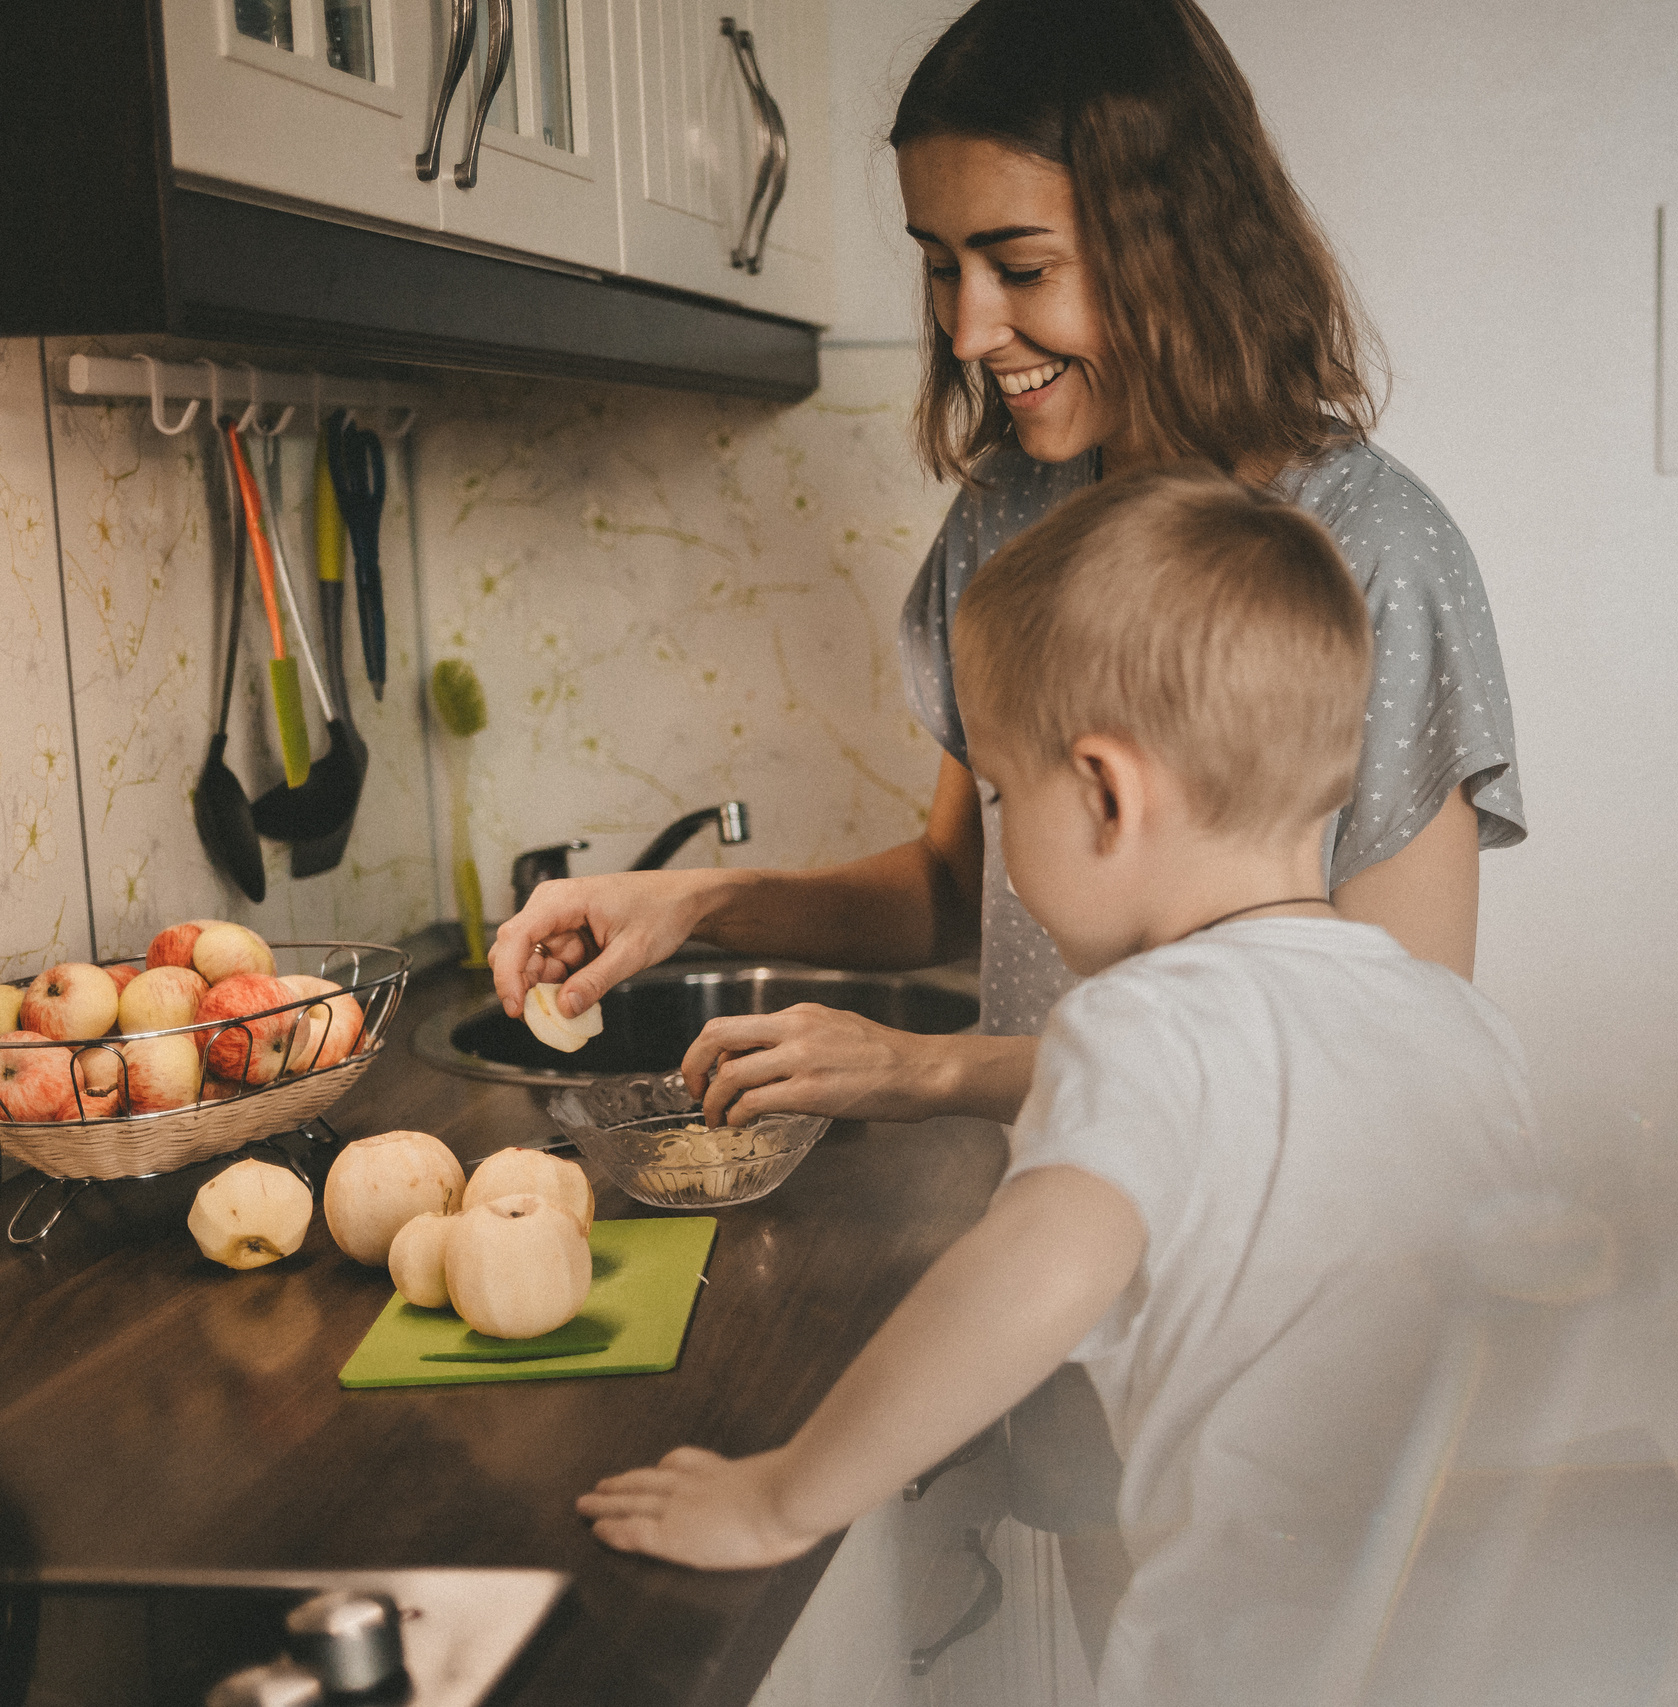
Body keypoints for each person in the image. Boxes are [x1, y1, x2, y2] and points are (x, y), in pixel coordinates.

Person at [492, 0, 1523, 1667]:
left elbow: (1320, 1080)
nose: (972, 327)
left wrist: (918, 1081)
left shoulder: (1372, 550)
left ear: (1168, 232)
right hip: (1210, 1399)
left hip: (1191, 1291)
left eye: (1021, 263)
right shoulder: (1008, 524)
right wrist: (691, 900)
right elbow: (958, 898)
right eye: (936, 264)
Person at [576, 468, 1545, 1707]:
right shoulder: (1459, 1027)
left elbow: (1026, 1280)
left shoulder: (1137, 1026)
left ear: (1103, 793)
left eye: (998, 795)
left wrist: (781, 1495)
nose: (994, 836)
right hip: (1483, 1640)